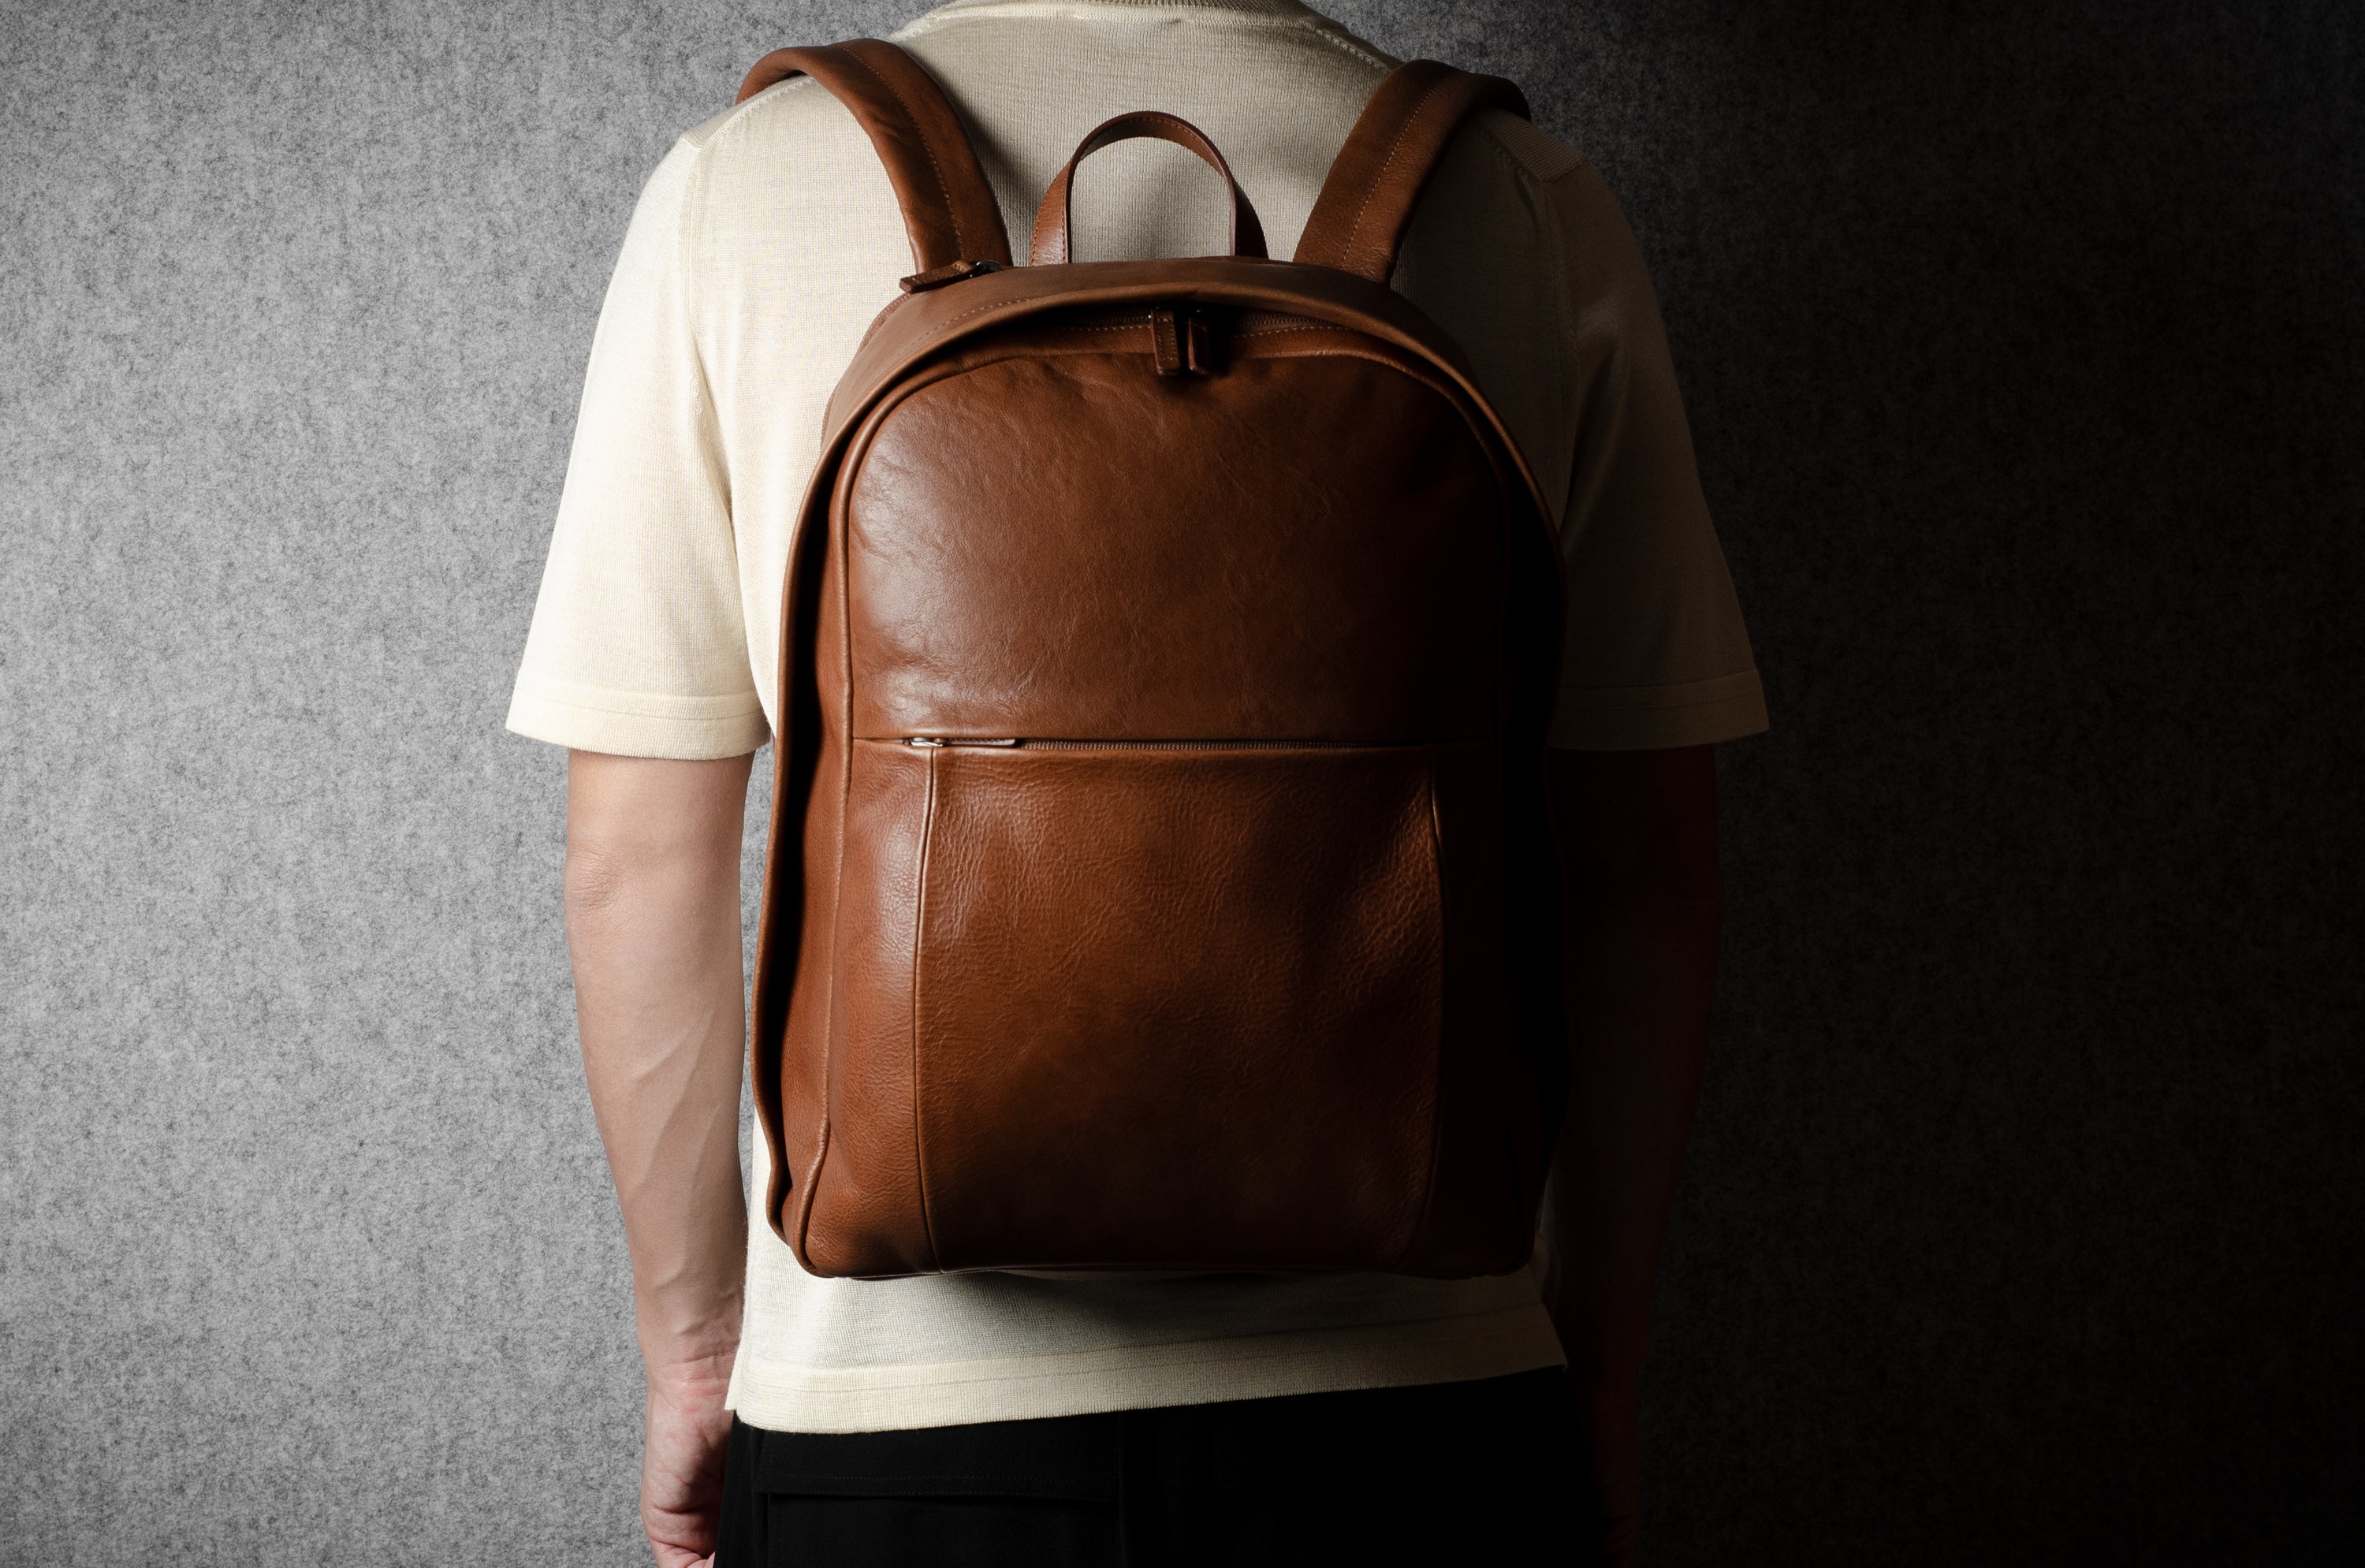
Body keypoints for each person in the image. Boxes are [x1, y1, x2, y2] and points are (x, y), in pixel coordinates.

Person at [508, 1, 1766, 1562]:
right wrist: (1600, 1364)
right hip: (1419, 1421)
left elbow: (641, 863)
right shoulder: (1516, 198)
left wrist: (695, 1360)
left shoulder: (742, 184)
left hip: (889, 1437)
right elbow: (1647, 870)